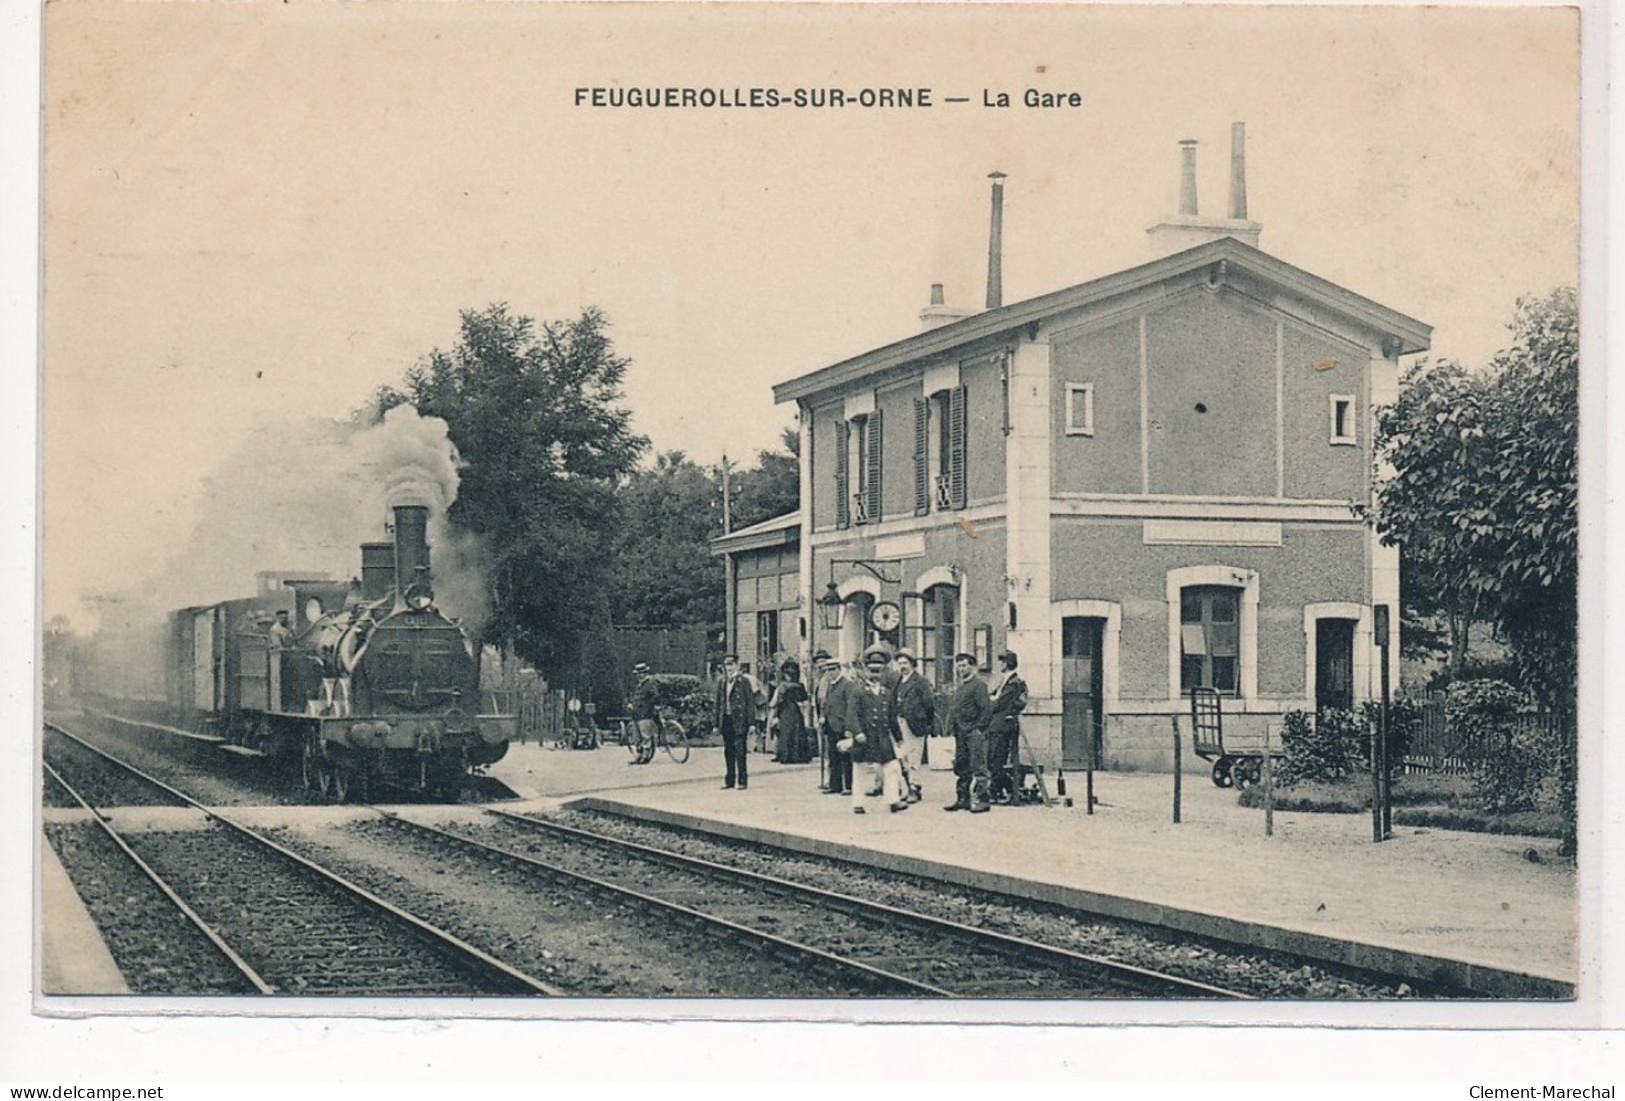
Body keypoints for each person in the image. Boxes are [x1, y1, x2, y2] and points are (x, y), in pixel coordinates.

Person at [845, 645, 907, 814]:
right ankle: (858, 803)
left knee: (892, 768)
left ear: (883, 672)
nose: (875, 675)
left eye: (878, 671)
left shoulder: (887, 693)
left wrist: (899, 738)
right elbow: (851, 715)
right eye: (872, 671)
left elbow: (892, 717)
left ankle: (893, 800)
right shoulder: (857, 692)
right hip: (864, 738)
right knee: (859, 771)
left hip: (882, 738)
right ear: (866, 672)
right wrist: (857, 732)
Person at [944, 651, 992, 813]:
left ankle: (982, 799)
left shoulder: (979, 686)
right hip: (960, 732)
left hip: (973, 732)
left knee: (978, 766)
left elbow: (986, 710)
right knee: (961, 766)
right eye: (959, 666)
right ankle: (963, 798)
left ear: (972, 667)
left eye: (964, 665)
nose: (961, 669)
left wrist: (978, 729)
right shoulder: (961, 687)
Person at [891, 648, 934, 804]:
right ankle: (907, 787)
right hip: (900, 722)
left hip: (914, 724)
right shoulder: (898, 682)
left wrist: (924, 721)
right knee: (902, 757)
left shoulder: (920, 681)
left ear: (912, 664)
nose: (902, 666)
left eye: (905, 663)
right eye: (900, 663)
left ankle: (915, 788)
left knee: (914, 758)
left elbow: (929, 704)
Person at [986, 650, 1029, 802]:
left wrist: (988, 703)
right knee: (991, 761)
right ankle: (1003, 790)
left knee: (996, 763)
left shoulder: (1014, 683)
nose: (999, 665)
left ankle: (1010, 789)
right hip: (996, 726)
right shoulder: (1004, 681)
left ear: (1006, 663)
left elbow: (999, 703)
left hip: (1003, 727)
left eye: (1001, 661)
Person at [713, 654, 759, 790]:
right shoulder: (722, 683)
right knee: (728, 751)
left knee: (740, 750)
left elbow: (750, 703)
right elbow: (718, 704)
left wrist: (751, 723)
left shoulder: (743, 681)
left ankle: (742, 781)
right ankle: (729, 780)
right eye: (727, 665)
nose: (729, 668)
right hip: (726, 719)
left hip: (740, 720)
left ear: (737, 666)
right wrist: (716, 724)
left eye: (731, 664)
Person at [817, 653, 857, 796]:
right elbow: (825, 703)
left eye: (833, 670)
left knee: (845, 758)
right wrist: (822, 717)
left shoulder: (847, 684)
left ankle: (848, 786)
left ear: (839, 669)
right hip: (831, 725)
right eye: (828, 670)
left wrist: (849, 727)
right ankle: (835, 785)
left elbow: (851, 707)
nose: (830, 673)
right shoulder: (829, 685)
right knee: (833, 757)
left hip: (842, 726)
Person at [770, 659, 812, 764]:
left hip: (785, 710)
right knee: (797, 732)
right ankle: (798, 755)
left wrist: (775, 714)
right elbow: (804, 699)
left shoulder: (783, 686)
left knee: (785, 733)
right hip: (796, 710)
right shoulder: (800, 686)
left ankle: (786, 755)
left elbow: (777, 701)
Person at [628, 662, 658, 765]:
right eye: (638, 674)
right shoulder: (639, 686)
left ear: (646, 673)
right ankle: (639, 755)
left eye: (642, 673)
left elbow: (654, 697)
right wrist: (631, 704)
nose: (640, 675)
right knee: (637, 736)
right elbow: (635, 698)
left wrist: (646, 707)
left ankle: (645, 756)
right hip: (636, 714)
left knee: (645, 735)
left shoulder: (649, 684)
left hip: (645, 714)